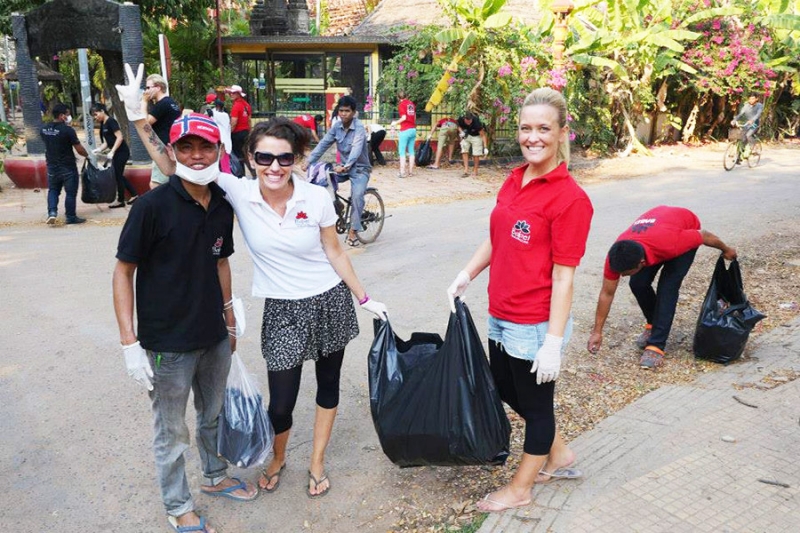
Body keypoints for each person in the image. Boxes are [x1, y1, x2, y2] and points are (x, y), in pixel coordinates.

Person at [114, 64, 258, 533]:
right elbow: (124, 270)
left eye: (205, 146)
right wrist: (129, 342)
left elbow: (220, 261)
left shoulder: (221, 203)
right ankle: (178, 507)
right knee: (171, 430)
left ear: (219, 149)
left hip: (213, 336)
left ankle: (215, 476)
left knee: (211, 414)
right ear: (174, 151)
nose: (197, 155)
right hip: (167, 344)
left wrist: (230, 315)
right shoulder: (152, 206)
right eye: (186, 147)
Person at [447, 88, 593, 513]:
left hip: (534, 322)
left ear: (563, 132)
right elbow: (497, 239)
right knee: (506, 390)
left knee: (536, 405)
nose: (533, 137)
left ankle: (521, 487)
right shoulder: (514, 179)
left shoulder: (570, 199)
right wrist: (467, 274)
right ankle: (560, 455)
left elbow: (564, 278)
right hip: (501, 312)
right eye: (526, 128)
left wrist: (552, 342)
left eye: (544, 129)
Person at [587, 206, 738, 369]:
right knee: (637, 283)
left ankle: (657, 345)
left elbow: (703, 235)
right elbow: (607, 294)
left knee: (667, 288)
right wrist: (597, 331)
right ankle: (653, 325)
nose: (621, 276)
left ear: (641, 263)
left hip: (683, 226)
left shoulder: (671, 242)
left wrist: (726, 249)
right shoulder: (616, 255)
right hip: (658, 228)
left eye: (625, 273)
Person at [305, 95, 371, 248]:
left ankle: (353, 232)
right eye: (341, 111)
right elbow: (323, 144)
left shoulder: (359, 128)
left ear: (353, 112)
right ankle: (337, 206)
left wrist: (347, 165)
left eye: (347, 111)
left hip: (360, 169)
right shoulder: (336, 127)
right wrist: (309, 161)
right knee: (321, 184)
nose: (343, 114)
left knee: (357, 196)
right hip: (342, 167)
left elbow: (356, 149)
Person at [40, 103, 88, 225]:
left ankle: (52, 213)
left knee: (53, 190)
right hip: (68, 167)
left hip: (51, 166)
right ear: (62, 116)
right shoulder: (68, 131)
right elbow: (79, 149)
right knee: (71, 192)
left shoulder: (44, 129)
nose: (69, 116)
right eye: (67, 114)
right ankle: (71, 217)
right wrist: (87, 155)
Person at [90, 103, 137, 208]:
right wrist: (99, 149)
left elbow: (119, 137)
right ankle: (133, 195)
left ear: (102, 111)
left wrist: (112, 151)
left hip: (122, 152)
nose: (95, 117)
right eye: (93, 115)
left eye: (96, 114)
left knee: (117, 175)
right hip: (116, 152)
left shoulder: (111, 121)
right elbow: (107, 142)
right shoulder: (103, 124)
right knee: (117, 175)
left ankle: (121, 200)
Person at [141, 73, 182, 189]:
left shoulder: (162, 104)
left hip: (163, 149)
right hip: (171, 147)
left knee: (155, 184)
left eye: (149, 87)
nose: (146, 91)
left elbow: (145, 124)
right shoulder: (171, 102)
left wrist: (144, 101)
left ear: (158, 87)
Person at [227, 84, 252, 177]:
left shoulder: (236, 106)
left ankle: (240, 174)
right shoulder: (246, 105)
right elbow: (249, 120)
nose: (231, 95)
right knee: (245, 153)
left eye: (233, 93)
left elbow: (234, 122)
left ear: (238, 94)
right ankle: (252, 172)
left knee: (237, 155)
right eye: (230, 93)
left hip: (237, 134)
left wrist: (228, 133)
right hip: (245, 133)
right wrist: (249, 132)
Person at [390, 90, 416, 178]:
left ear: (398, 98)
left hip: (405, 130)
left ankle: (402, 172)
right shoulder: (411, 104)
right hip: (413, 129)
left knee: (402, 152)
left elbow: (404, 117)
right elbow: (414, 116)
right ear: (407, 96)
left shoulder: (402, 104)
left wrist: (395, 123)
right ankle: (411, 172)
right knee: (411, 151)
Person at [457, 112, 489, 178]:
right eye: (467, 121)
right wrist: (461, 132)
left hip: (477, 136)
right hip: (467, 135)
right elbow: (458, 126)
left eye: (470, 121)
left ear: (472, 119)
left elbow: (483, 135)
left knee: (476, 154)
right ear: (464, 119)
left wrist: (485, 147)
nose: (469, 122)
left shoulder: (477, 122)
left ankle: (475, 170)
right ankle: (466, 170)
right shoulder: (461, 119)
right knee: (464, 151)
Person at [208, 98, 233, 174]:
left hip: (224, 144)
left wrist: (209, 110)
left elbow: (212, 114)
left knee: (225, 164)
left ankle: (227, 178)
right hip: (220, 142)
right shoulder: (220, 114)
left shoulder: (224, 115)